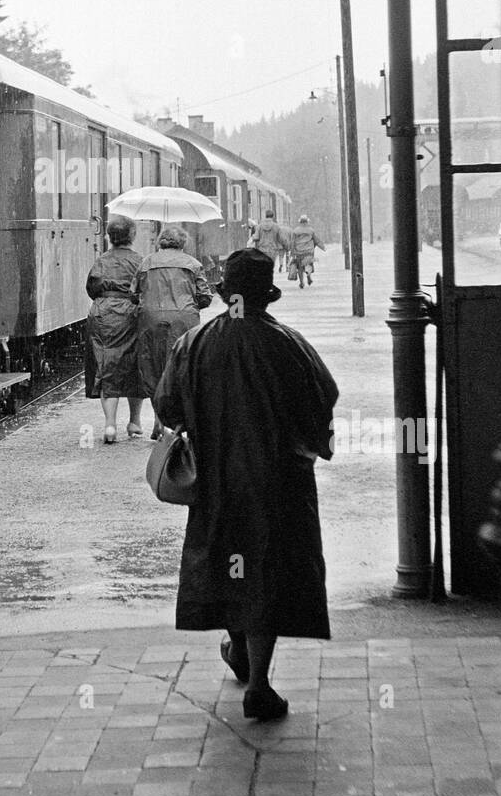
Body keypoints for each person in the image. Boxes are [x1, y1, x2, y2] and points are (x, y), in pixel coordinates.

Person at [154, 249, 337, 721]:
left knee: (229, 561)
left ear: (224, 291)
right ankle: (258, 683)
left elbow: (168, 408)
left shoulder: (193, 343)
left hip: (217, 484)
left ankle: (238, 652)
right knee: (265, 573)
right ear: (266, 293)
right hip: (277, 483)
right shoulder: (287, 343)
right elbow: (322, 400)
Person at [132, 225, 213, 439]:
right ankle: (182, 422)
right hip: (184, 320)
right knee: (183, 367)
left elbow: (133, 294)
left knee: (152, 367)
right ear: (182, 243)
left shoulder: (147, 262)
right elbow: (205, 296)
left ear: (161, 242)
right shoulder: (193, 264)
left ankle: (159, 420)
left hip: (151, 319)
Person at [85, 215, 144, 444]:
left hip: (102, 313)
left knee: (106, 365)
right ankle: (135, 422)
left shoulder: (101, 260)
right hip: (130, 313)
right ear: (133, 236)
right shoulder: (140, 260)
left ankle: (110, 426)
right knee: (133, 365)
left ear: (110, 237)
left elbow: (92, 288)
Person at [290, 213, 325, 289]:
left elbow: (292, 242)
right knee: (308, 264)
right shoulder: (311, 230)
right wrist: (322, 247)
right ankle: (308, 274)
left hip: (299, 251)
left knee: (299, 267)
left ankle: (301, 282)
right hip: (309, 251)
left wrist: (292, 252)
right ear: (307, 222)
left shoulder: (295, 231)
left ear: (300, 222)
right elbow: (316, 240)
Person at [251, 209, 291, 274]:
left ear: (265, 216)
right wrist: (287, 246)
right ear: (273, 216)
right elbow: (282, 239)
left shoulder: (260, 226)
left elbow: (256, 237)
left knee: (263, 268)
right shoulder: (276, 227)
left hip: (262, 250)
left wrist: (253, 238)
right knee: (270, 268)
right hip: (273, 251)